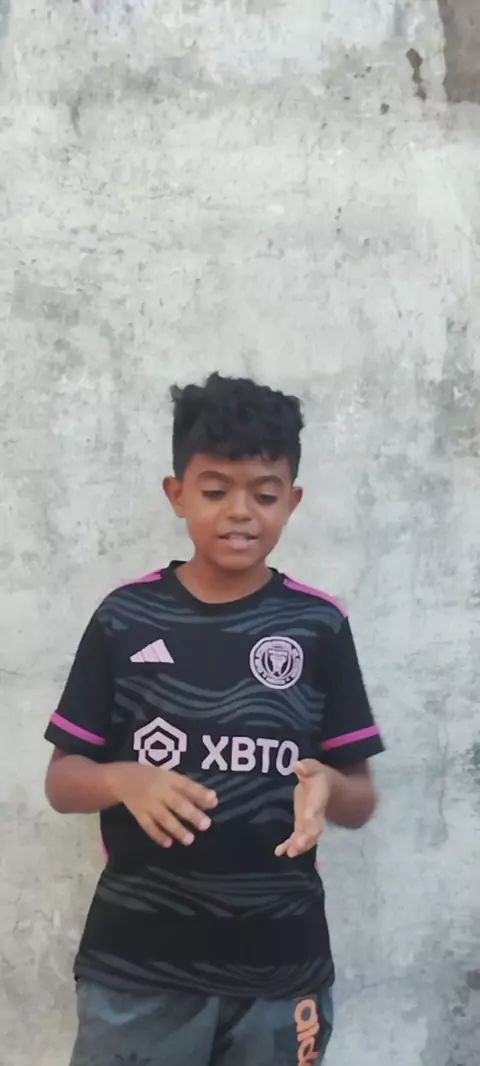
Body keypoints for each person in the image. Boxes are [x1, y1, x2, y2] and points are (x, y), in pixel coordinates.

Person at [44, 372, 384, 1066]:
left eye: (264, 494)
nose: (240, 513)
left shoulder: (318, 626)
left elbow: (360, 798)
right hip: (137, 971)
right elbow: (62, 781)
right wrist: (124, 780)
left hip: (280, 973)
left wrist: (327, 786)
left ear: (293, 500)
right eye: (215, 490)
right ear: (177, 494)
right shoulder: (124, 617)